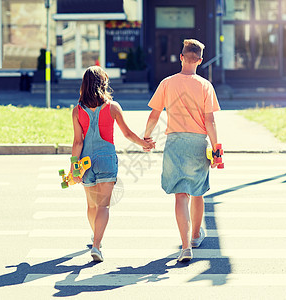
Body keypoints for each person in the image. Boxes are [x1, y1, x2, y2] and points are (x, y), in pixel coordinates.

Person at [143, 39, 220, 262]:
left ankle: (186, 246)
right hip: (198, 143)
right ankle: (196, 235)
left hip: (175, 143)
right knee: (198, 191)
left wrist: (147, 137)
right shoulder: (205, 86)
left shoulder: (167, 83)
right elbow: (210, 120)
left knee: (180, 195)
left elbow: (154, 115)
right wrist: (216, 148)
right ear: (200, 61)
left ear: (181, 57)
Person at [70, 66, 155, 262]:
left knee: (91, 205)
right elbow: (127, 133)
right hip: (107, 159)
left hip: (85, 162)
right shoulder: (113, 107)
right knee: (104, 206)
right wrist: (144, 144)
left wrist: (74, 168)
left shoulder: (77, 110)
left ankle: (95, 237)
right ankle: (97, 245)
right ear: (103, 83)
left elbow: (77, 142)